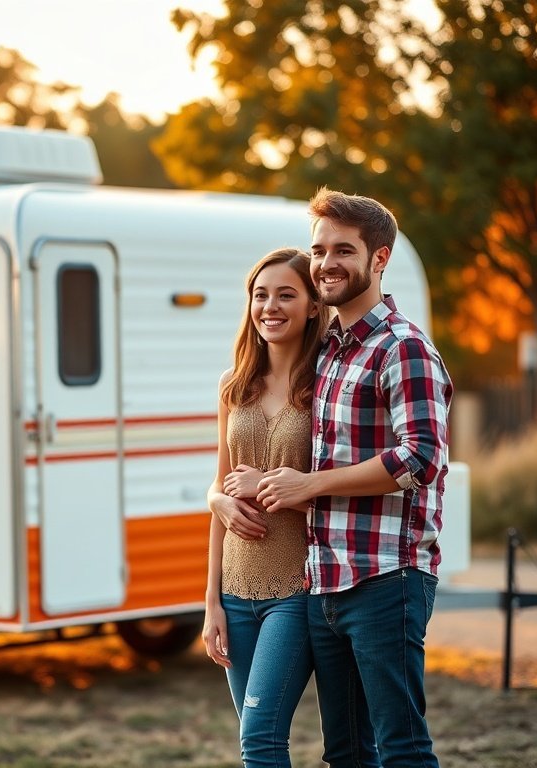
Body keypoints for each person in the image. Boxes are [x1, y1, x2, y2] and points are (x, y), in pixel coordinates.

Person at [256, 188, 453, 767]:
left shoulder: (404, 348)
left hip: (387, 580)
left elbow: (418, 459)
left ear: (380, 258)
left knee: (402, 749)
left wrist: (310, 485)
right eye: (318, 251)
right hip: (325, 586)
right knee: (344, 753)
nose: (326, 264)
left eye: (344, 250)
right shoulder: (332, 351)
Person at [204, 247, 328, 767]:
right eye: (260, 295)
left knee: (258, 737)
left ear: (313, 307)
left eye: (286, 295)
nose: (270, 306)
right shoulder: (234, 386)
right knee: (258, 737)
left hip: (294, 589)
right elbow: (219, 487)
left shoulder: (325, 385)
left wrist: (265, 488)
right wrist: (211, 602)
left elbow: (334, 491)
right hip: (234, 589)